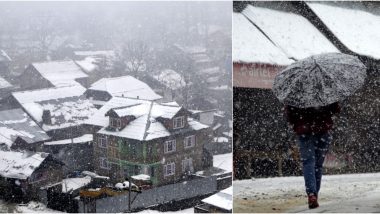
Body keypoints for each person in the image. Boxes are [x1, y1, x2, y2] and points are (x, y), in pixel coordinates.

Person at [285, 102, 340, 209]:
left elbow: (289, 114)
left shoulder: (297, 94)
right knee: (318, 165)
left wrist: (298, 123)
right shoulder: (325, 91)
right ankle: (314, 194)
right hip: (322, 130)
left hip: (305, 131)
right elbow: (335, 109)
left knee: (308, 162)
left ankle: (311, 194)